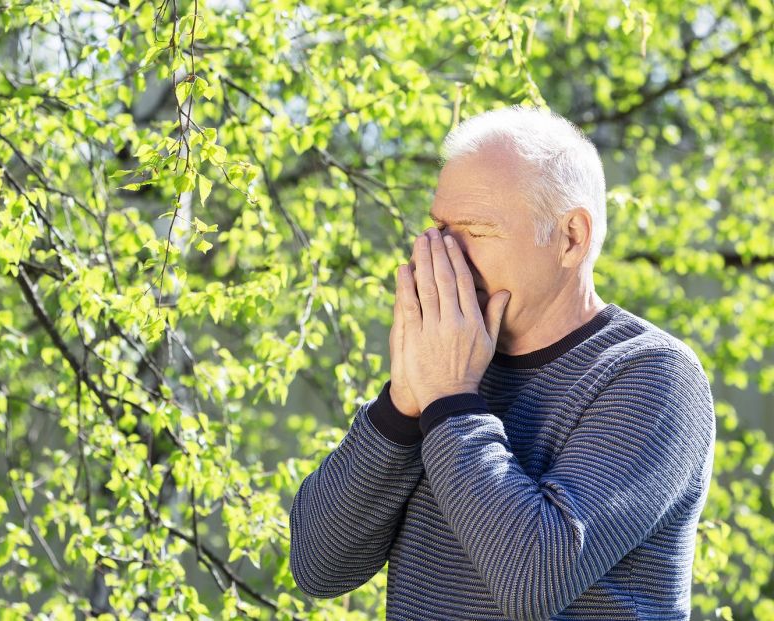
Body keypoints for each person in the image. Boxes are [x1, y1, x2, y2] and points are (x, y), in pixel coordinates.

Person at [288, 105, 716, 620]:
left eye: (474, 230)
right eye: (438, 228)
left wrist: (449, 401)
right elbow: (318, 566)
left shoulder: (653, 375)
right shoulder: (454, 360)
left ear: (570, 238)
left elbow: (532, 580)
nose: (439, 253)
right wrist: (402, 403)